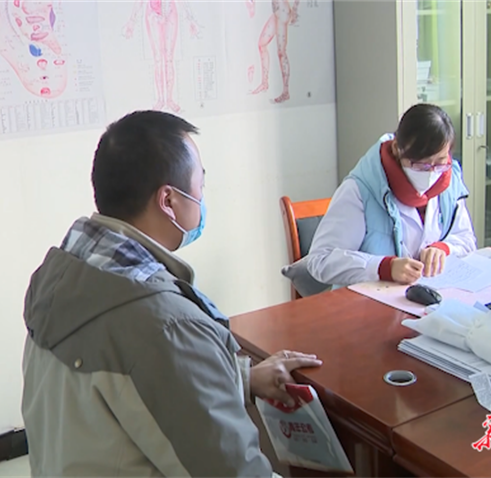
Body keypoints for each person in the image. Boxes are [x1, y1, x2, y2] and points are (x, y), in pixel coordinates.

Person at [21, 110, 321, 477]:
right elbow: (233, 471)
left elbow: (140, 383)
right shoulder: (166, 324)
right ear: (168, 200)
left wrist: (241, 377)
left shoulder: (63, 273)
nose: (202, 197)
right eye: (200, 184)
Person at [285, 103, 476, 294]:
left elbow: (466, 239)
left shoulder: (448, 181)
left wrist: (444, 249)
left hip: (427, 297)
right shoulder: (360, 190)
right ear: (398, 149)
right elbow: (320, 261)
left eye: (440, 163)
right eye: (420, 165)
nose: (431, 173)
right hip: (367, 303)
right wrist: (383, 267)